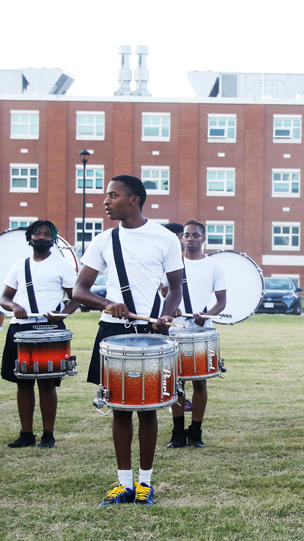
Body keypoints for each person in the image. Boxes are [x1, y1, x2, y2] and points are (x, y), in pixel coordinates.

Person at [74, 175, 183, 507]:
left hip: (150, 335)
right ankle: (124, 484)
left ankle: (145, 484)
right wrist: (106, 304)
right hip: (112, 332)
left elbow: (176, 288)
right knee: (119, 409)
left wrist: (166, 315)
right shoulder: (104, 239)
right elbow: (79, 291)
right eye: (107, 196)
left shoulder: (165, 239)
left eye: (113, 195)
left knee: (148, 409)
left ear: (134, 200)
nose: (105, 201)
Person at [1, 220, 80, 449]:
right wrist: (13, 306)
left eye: (47, 234)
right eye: (37, 234)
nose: (42, 237)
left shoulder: (62, 265)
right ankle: (26, 435)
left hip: (50, 330)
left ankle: (48, 435)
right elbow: (4, 297)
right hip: (20, 329)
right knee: (22, 383)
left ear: (53, 239)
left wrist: (62, 314)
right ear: (30, 238)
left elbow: (76, 296)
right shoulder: (19, 265)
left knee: (47, 384)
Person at [167, 220, 227, 449]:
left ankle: (195, 431)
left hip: (202, 332)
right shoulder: (173, 264)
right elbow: (164, 291)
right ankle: (177, 432)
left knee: (200, 383)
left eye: (194, 235)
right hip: (176, 329)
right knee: (177, 382)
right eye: (186, 235)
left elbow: (221, 302)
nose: (189, 239)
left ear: (203, 239)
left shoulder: (214, 266)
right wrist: (172, 307)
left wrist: (207, 314)